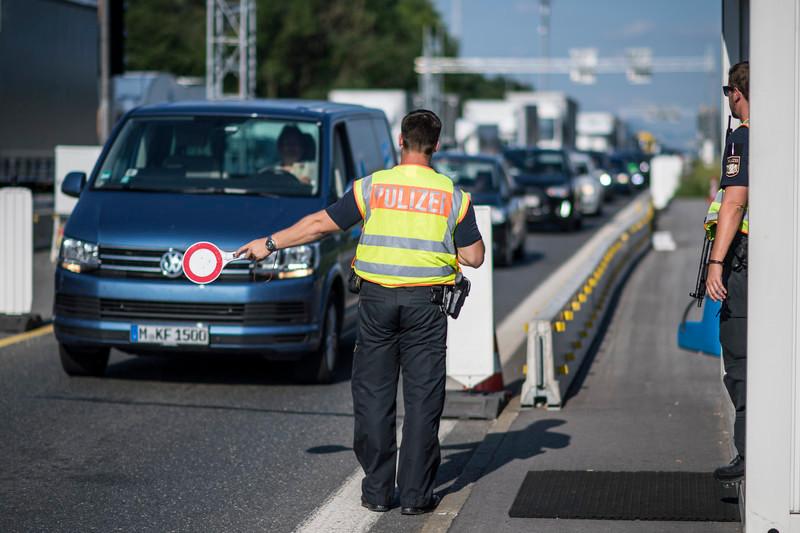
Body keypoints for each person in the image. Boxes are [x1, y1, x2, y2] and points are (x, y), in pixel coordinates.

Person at [235, 110, 485, 514]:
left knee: (373, 394)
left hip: (376, 303)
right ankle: (417, 496)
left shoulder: (373, 188)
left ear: (400, 142)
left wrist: (269, 242)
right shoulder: (452, 197)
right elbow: (474, 256)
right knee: (422, 399)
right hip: (427, 306)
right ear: (436, 146)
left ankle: (377, 492)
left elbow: (320, 224)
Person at [705, 61, 749, 484]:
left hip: (742, 263)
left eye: (728, 91)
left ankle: (748, 454)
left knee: (739, 360)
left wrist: (716, 263)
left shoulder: (742, 138)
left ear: (737, 92)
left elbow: (733, 203)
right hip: (764, 263)